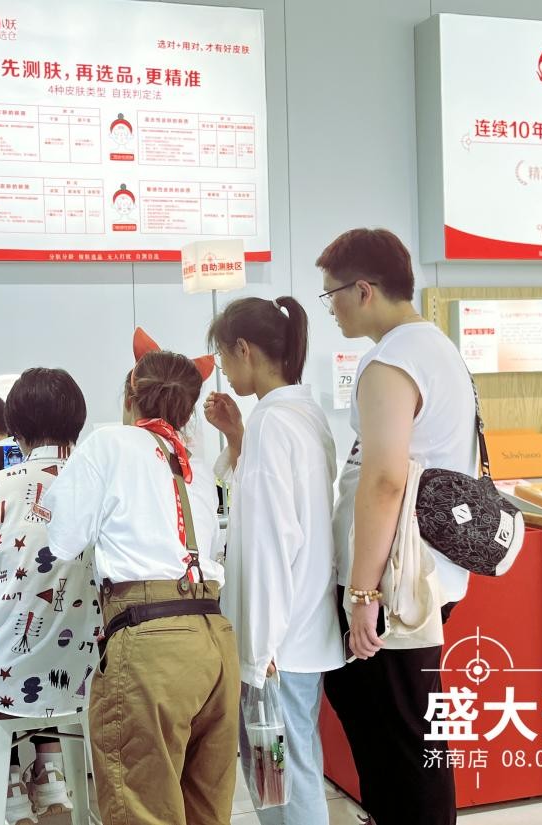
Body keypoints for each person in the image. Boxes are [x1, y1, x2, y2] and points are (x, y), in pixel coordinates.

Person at [45, 333, 239, 825]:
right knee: (205, 810)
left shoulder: (108, 443)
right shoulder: (193, 464)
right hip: (215, 640)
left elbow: (63, 540)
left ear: (131, 393)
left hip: (151, 642)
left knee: (142, 809)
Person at [318, 228, 472, 825]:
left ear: (363, 290)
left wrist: (362, 594)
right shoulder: (436, 347)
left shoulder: (391, 362)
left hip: (397, 581)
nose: (330, 307)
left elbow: (384, 481)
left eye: (331, 294)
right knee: (396, 726)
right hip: (423, 571)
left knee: (404, 738)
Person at [0, 367, 98, 825]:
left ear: (16, 430)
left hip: (0, 678)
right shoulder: (101, 486)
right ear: (78, 422)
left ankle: (6, 782)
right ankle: (50, 769)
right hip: (84, 674)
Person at [204, 296, 343, 825]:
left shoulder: (272, 423)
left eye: (224, 356)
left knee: (282, 776)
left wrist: (258, 648)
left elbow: (269, 543)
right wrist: (237, 439)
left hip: (277, 646)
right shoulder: (302, 414)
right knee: (285, 771)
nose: (224, 369)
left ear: (244, 349)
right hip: (302, 631)